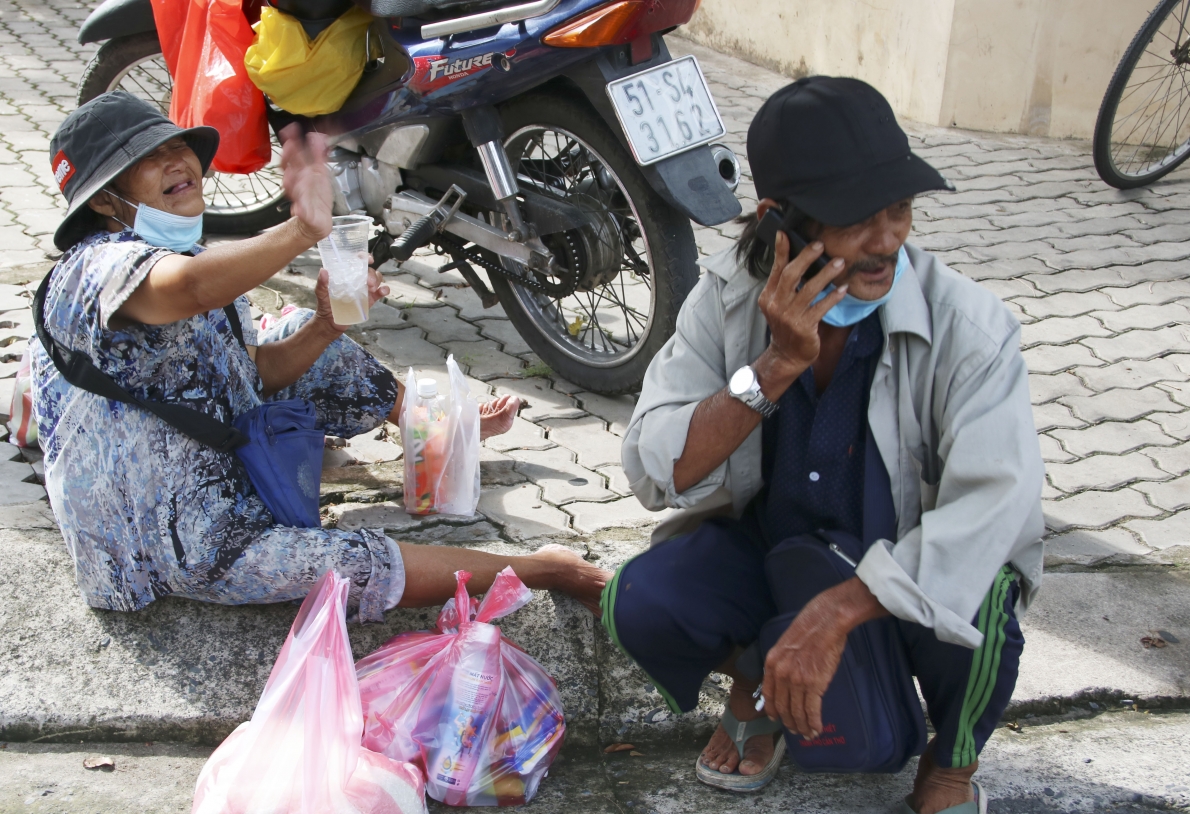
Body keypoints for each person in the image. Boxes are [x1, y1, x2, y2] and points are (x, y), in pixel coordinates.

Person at [607, 77, 1044, 814]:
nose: (885, 242)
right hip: (773, 553)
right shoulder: (727, 297)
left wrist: (837, 613)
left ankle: (952, 765)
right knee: (642, 601)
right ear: (783, 223)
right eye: (855, 219)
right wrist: (774, 367)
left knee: (988, 596)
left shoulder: (971, 328)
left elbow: (994, 509)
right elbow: (655, 465)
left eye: (899, 210)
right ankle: (758, 678)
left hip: (898, 578)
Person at [34, 91, 606, 620]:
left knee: (308, 327)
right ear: (106, 198)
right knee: (354, 564)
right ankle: (549, 568)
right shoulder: (91, 268)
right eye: (149, 158)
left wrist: (327, 328)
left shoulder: (184, 252)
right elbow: (188, 289)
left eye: (177, 145)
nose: (177, 162)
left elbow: (251, 375)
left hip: (227, 461)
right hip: (169, 534)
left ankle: (437, 435)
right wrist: (303, 228)